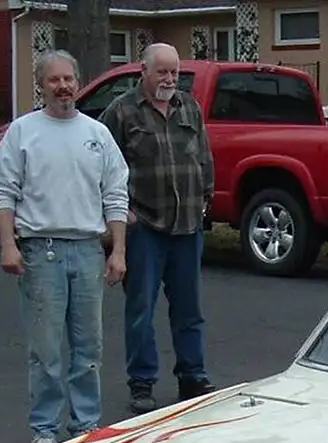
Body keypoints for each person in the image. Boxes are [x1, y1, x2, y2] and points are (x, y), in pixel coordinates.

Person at [0, 49, 130, 443]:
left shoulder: (97, 134)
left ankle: (85, 428)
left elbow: (115, 193)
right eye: (54, 80)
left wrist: (117, 250)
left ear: (78, 81)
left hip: (87, 250)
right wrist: (7, 245)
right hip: (40, 253)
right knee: (46, 350)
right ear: (41, 85)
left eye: (69, 79)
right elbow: (3, 191)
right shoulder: (23, 132)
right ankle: (45, 431)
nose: (63, 86)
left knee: (89, 349)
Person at [100, 41, 218, 415]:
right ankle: (142, 384)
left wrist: (206, 199)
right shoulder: (121, 113)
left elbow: (203, 157)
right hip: (144, 226)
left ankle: (192, 376)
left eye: (175, 72)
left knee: (189, 310)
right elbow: (100, 168)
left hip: (187, 226)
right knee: (141, 310)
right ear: (144, 72)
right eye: (162, 72)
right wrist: (120, 214)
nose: (170, 79)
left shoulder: (190, 108)